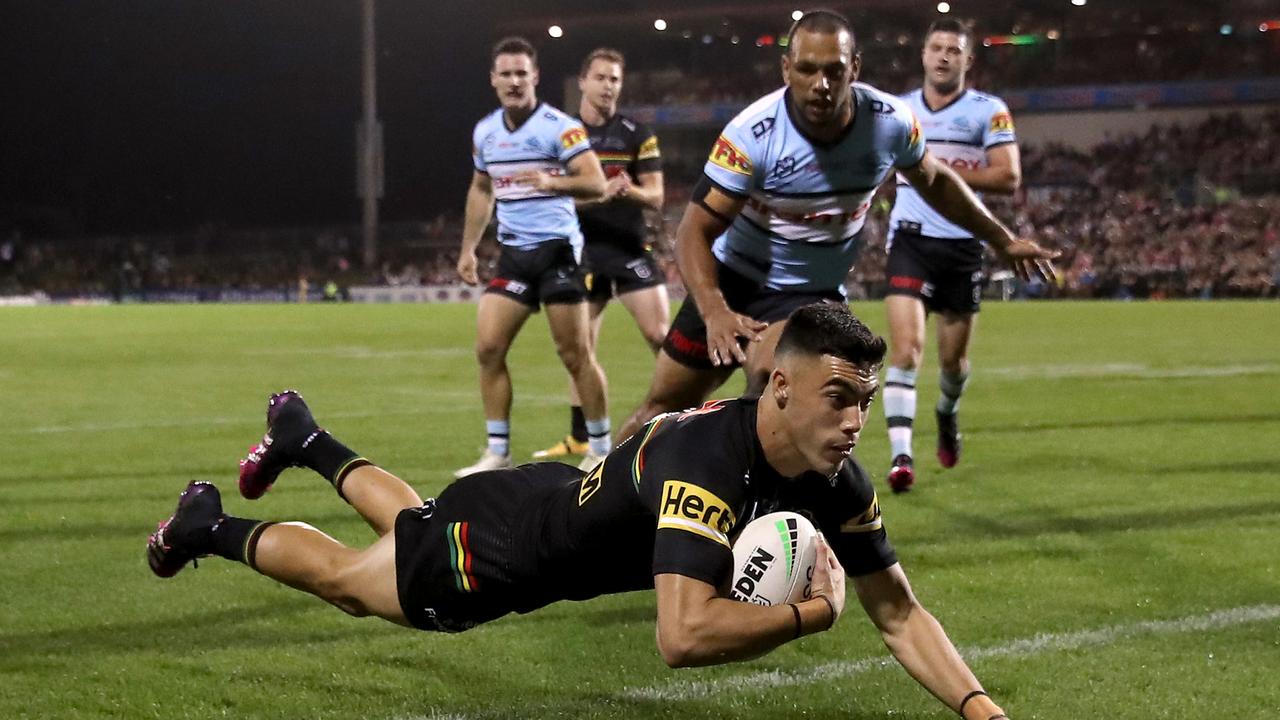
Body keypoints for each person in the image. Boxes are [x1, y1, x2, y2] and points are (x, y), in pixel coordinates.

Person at [146, 304, 1012, 719]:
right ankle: (206, 527)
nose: (856, 421)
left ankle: (305, 437)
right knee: (349, 581)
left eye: (865, 400)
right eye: (838, 398)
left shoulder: (834, 479)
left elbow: (898, 611)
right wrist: (807, 613)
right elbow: (682, 637)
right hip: (505, 553)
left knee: (408, 530)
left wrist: (981, 710)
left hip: (534, 494)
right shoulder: (708, 468)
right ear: (780, 388)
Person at [614, 10, 1056, 447]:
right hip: (733, 279)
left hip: (810, 293)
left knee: (775, 386)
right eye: (806, 69)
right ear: (786, 68)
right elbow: (693, 230)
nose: (820, 85)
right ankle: (585, 500)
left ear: (855, 69)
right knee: (661, 410)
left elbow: (936, 181)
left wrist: (1002, 239)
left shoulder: (888, 122)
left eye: (834, 71)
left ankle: (751, 505)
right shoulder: (752, 135)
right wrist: (714, 310)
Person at [454, 37, 612, 477]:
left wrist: (551, 181)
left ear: (535, 77)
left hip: (558, 253)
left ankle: (600, 448)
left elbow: (596, 183)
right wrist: (468, 248)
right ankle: (498, 451)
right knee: (488, 348)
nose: (514, 81)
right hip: (514, 255)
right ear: (493, 79)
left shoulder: (560, 127)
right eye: (505, 73)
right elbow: (481, 188)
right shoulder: (485, 132)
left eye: (522, 73)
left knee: (575, 354)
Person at [881, 20, 1023, 493]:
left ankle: (946, 413)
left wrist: (938, 173)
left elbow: (1007, 176)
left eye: (953, 50)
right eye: (936, 48)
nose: (944, 57)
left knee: (952, 365)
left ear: (968, 60)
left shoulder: (988, 111)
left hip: (963, 246)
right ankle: (901, 456)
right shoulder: (899, 110)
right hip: (910, 241)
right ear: (923, 55)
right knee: (905, 351)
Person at [533, 48, 669, 465]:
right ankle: (581, 438)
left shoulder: (636, 131)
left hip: (628, 249)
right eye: (601, 78)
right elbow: (551, 197)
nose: (608, 86)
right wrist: (596, 194)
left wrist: (628, 190)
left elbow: (657, 196)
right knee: (579, 348)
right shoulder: (563, 135)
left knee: (661, 336)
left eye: (615, 79)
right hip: (581, 253)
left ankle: (687, 415)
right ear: (583, 82)